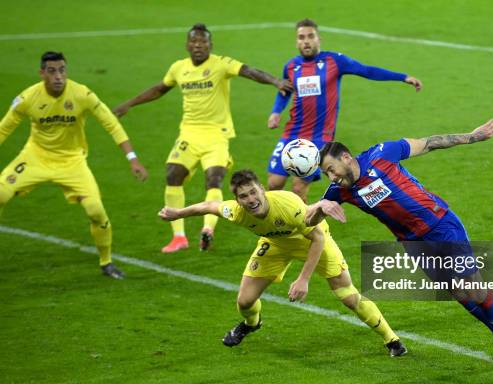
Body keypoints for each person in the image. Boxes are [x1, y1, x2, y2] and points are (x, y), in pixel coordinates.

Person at [312, 119, 493, 381]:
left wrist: (472, 136)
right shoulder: (339, 191)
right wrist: (320, 208)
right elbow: (307, 219)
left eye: (331, 169)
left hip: (442, 226)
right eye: (326, 174)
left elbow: (429, 143)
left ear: (346, 158)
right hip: (414, 245)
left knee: (476, 288)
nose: (332, 177)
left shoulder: (382, 154)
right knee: (458, 292)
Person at [158, 169, 408, 357]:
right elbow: (209, 206)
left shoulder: (289, 205)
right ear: (237, 199)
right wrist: (177, 214)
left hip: (313, 240)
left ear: (262, 190)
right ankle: (251, 324)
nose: (250, 199)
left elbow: (317, 238)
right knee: (244, 301)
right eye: (243, 196)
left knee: (347, 295)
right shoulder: (236, 211)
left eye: (254, 192)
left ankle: (392, 340)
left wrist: (303, 279)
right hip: (276, 245)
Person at [114, 23, 292, 253]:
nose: (198, 46)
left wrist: (276, 81)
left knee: (214, 179)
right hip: (189, 134)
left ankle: (208, 229)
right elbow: (159, 89)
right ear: (188, 45)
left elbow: (249, 71)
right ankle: (179, 237)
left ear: (210, 45)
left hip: (217, 135)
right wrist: (129, 104)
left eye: (203, 42)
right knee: (172, 175)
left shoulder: (220, 64)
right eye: (194, 42)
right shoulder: (179, 68)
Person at [0, 51, 148, 279]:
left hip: (72, 161)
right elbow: (4, 128)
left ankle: (106, 262)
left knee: (96, 211)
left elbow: (111, 123)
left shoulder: (81, 94)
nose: (58, 76)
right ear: (42, 73)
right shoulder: (28, 98)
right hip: (35, 157)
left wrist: (133, 159)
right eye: (52, 71)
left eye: (62, 70)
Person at [266, 18, 422, 202]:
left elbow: (366, 70)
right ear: (296, 41)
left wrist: (402, 77)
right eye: (301, 37)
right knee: (274, 184)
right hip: (292, 134)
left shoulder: (334, 61)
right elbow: (285, 91)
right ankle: (278, 226)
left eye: (310, 36)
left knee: (299, 188)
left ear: (319, 39)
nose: (306, 41)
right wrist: (276, 111)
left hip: (319, 138)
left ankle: (305, 228)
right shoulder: (291, 66)